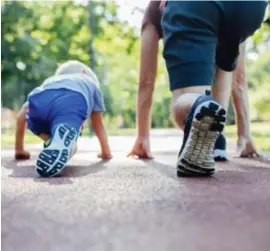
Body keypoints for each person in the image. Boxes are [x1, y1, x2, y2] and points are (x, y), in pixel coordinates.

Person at [129, 1, 267, 176]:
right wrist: (244, 134)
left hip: (195, 5)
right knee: (224, 63)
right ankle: (217, 140)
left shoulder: (151, 14)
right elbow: (238, 78)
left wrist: (142, 137)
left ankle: (199, 106)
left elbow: (146, 80)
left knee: (191, 105)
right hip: (250, 7)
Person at [15, 60, 112, 177]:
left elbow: (21, 116)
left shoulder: (50, 81)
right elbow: (98, 124)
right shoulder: (88, 82)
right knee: (67, 120)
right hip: (71, 101)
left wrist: (19, 150)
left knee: (36, 121)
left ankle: (53, 141)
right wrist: (106, 152)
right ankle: (62, 141)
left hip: (40, 102)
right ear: (84, 72)